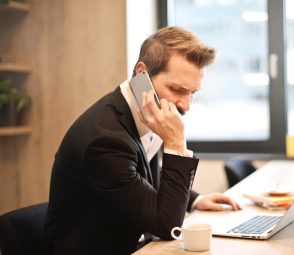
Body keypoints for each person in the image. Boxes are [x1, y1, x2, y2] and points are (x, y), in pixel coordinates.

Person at [42, 26, 241, 255]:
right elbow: (168, 226)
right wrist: (176, 144)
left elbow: (144, 177)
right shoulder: (104, 141)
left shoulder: (146, 109)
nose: (185, 105)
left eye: (193, 93)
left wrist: (194, 200)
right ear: (141, 74)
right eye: (177, 89)